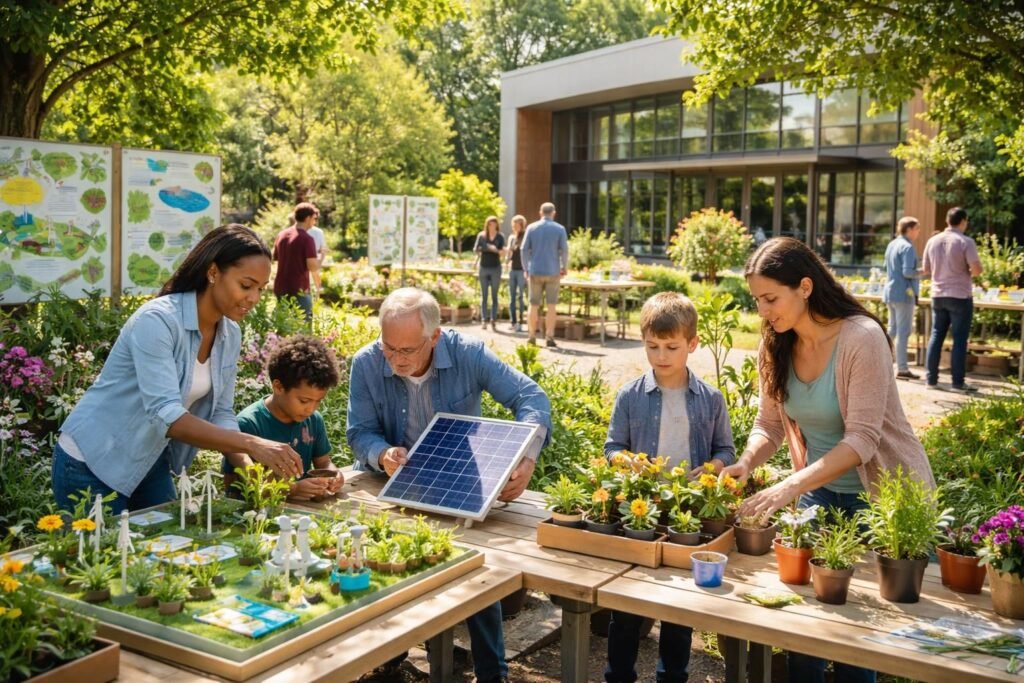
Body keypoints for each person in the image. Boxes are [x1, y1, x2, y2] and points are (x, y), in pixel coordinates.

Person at [721, 237, 935, 683]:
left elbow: (863, 441)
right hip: (821, 493)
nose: (763, 311)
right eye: (757, 300)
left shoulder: (862, 338)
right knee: (807, 627)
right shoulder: (775, 344)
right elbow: (769, 425)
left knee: (859, 633)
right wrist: (747, 462)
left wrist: (790, 485)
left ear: (804, 287)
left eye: (770, 299)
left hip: (885, 503)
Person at [346, 287, 553, 683]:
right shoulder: (368, 362)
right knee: (390, 566)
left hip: (462, 482)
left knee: (478, 573)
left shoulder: (468, 353)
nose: (396, 360)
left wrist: (526, 456)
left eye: (407, 351)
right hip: (391, 484)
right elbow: (359, 432)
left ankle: (493, 673)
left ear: (434, 337)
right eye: (389, 348)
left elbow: (530, 396)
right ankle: (389, 661)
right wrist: (383, 453)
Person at [53, 225, 304, 514]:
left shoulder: (229, 333)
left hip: (147, 459)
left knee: (167, 548)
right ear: (212, 273)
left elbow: (220, 411)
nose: (254, 298)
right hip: (92, 460)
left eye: (260, 289)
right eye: (246, 286)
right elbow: (167, 415)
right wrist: (254, 443)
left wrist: (251, 473)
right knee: (104, 556)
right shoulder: (157, 321)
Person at [604, 292, 735, 683]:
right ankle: (618, 675)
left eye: (672, 347)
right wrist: (627, 461)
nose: (661, 356)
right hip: (638, 511)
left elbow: (725, 450)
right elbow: (613, 446)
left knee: (679, 607)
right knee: (626, 604)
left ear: (692, 344)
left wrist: (711, 468)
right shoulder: (630, 395)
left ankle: (672, 675)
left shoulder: (710, 399)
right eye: (653, 346)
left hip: (686, 514)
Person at [223, 335, 343, 500]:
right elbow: (240, 481)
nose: (311, 409)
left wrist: (334, 475)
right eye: (304, 401)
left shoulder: (313, 420)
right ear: (278, 387)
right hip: (251, 513)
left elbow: (323, 462)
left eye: (318, 401)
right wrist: (291, 489)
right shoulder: (248, 424)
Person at [921, 207, 983, 392]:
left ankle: (931, 380)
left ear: (947, 221)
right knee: (959, 339)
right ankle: (957, 383)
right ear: (963, 221)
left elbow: (926, 269)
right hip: (960, 295)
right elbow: (977, 269)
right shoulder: (966, 241)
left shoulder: (932, 241)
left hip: (938, 294)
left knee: (936, 335)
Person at [520, 202, 568, 347]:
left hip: (535, 270)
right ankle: (549, 337)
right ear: (553, 213)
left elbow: (523, 249)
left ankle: (532, 336)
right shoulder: (560, 229)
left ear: (541, 212)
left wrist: (525, 268)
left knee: (533, 304)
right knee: (551, 306)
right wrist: (563, 267)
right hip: (553, 271)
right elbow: (564, 250)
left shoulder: (531, 228)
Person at [882, 217, 923, 380]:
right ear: (910, 229)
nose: (919, 232)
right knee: (903, 332)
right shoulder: (908, 247)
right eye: (917, 228)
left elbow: (887, 267)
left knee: (891, 330)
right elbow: (907, 272)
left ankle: (881, 361)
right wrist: (923, 271)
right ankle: (903, 368)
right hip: (904, 293)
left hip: (890, 291)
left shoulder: (892, 244)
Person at [273, 202, 320, 322]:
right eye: (314, 218)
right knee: (303, 329)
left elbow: (276, 258)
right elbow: (312, 266)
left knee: (283, 327)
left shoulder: (282, 235)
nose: (314, 222)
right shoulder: (307, 239)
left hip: (280, 287)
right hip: (299, 289)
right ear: (308, 218)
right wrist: (322, 256)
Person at [474, 215, 505, 331]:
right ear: (487, 225)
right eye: (490, 224)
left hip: (495, 268)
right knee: (484, 295)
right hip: (483, 267)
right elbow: (475, 249)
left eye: (494, 224)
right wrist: (484, 248)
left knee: (494, 295)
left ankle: (493, 319)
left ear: (497, 225)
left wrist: (495, 249)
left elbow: (503, 252)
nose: (492, 226)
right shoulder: (481, 236)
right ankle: (483, 319)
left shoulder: (500, 237)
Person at [506, 214, 528, 332]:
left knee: (521, 297)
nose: (515, 226)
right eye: (514, 224)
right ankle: (513, 321)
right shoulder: (511, 238)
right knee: (512, 297)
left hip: (522, 270)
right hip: (512, 269)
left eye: (517, 224)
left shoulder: (525, 237)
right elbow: (509, 254)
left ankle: (521, 321)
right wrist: (507, 258)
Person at [306, 208, 327, 292]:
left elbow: (323, 249)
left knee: (316, 281)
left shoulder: (318, 232)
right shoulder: (300, 231)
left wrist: (320, 262)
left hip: (315, 258)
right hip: (303, 260)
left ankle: (317, 298)